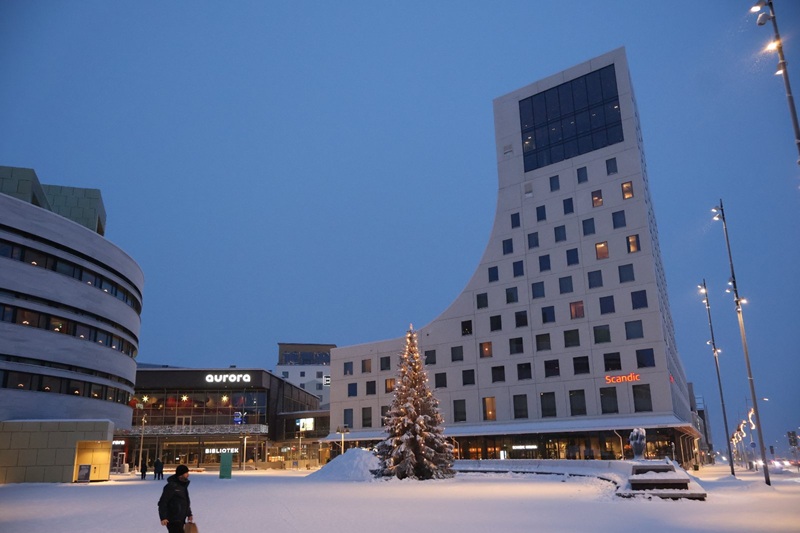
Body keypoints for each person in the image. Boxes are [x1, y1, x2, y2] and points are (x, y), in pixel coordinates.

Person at [158, 464, 193, 532]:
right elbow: (163, 502)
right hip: (172, 519)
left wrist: (189, 514)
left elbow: (184, 501)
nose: (188, 475)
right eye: (186, 473)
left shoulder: (183, 486)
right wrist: (163, 517)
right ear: (181, 475)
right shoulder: (171, 486)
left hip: (181, 519)